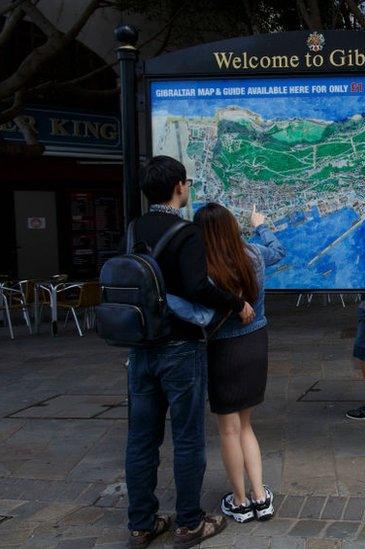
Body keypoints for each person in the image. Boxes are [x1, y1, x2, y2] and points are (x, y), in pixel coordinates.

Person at [125, 156, 254, 547]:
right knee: (187, 437)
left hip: (141, 346)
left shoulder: (134, 229)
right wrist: (235, 302)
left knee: (141, 438)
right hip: (179, 347)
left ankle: (142, 523)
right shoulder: (187, 233)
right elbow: (198, 287)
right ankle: (188, 522)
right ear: (180, 186)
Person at [194, 203, 284, 523]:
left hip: (221, 349)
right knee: (246, 425)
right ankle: (261, 497)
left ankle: (241, 501)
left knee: (228, 429)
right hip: (254, 343)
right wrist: (260, 224)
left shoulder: (202, 266)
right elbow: (278, 250)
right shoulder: (254, 254)